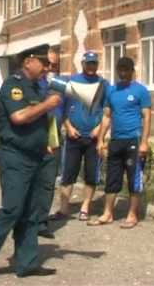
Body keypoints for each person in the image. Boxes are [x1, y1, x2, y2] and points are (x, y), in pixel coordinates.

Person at [0, 45, 61, 280]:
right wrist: (47, 105)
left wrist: (46, 142)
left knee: (32, 212)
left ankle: (27, 262)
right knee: (12, 209)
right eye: (45, 64)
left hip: (36, 157)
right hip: (15, 157)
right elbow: (18, 117)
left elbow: (38, 122)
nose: (48, 69)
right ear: (29, 62)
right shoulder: (13, 85)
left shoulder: (35, 87)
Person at [88, 56, 151, 229]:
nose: (123, 73)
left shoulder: (141, 91)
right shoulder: (111, 90)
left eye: (126, 70)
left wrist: (144, 142)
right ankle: (108, 213)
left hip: (134, 140)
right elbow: (107, 116)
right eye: (120, 70)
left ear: (132, 71)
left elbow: (146, 117)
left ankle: (132, 214)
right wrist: (101, 139)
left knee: (134, 178)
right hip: (116, 140)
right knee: (112, 178)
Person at [49, 51, 107, 222]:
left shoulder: (103, 84)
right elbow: (62, 109)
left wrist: (99, 129)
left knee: (91, 174)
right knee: (68, 173)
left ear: (97, 65)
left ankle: (85, 207)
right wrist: (68, 126)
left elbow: (108, 112)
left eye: (94, 63)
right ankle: (64, 208)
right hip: (73, 136)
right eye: (88, 63)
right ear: (82, 64)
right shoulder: (71, 81)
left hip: (94, 137)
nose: (91, 66)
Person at [36, 46, 64, 239]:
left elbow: (70, 107)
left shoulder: (60, 83)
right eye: (47, 64)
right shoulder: (30, 84)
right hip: (35, 136)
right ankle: (27, 220)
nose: (50, 68)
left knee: (47, 182)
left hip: (54, 136)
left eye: (54, 64)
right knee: (32, 182)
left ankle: (41, 222)